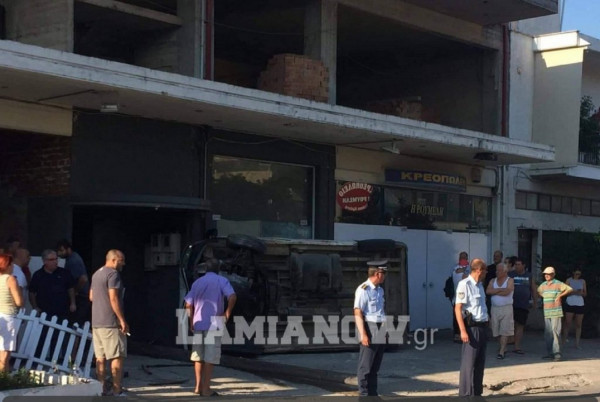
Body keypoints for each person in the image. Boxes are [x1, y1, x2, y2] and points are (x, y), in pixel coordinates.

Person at [185, 258, 237, 397]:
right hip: (215, 323)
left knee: (198, 356)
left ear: (205, 269)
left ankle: (198, 387)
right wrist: (227, 313)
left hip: (198, 323)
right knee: (210, 357)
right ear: (218, 269)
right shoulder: (221, 281)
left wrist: (191, 321)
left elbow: (188, 304)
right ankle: (206, 389)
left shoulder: (197, 282)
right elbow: (232, 296)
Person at [90, 249, 128, 397]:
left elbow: (91, 296)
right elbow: (113, 298)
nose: (123, 264)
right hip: (110, 322)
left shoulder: (96, 274)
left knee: (100, 357)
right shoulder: (113, 274)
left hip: (96, 321)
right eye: (121, 260)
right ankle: (117, 390)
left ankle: (101, 389)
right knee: (116, 356)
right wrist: (122, 320)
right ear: (113, 260)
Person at [455, 258, 488, 397]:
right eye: (485, 270)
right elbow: (458, 308)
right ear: (479, 270)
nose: (486, 273)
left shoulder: (480, 285)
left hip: (482, 326)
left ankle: (477, 393)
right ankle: (465, 394)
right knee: (469, 364)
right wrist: (462, 330)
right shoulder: (465, 284)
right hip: (472, 328)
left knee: (480, 363)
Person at [354, 259, 388, 397]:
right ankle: (364, 394)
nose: (384, 276)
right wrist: (363, 334)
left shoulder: (380, 290)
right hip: (369, 326)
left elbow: (381, 311)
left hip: (380, 327)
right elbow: (358, 312)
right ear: (378, 274)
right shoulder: (363, 290)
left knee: (375, 365)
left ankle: (373, 393)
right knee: (366, 366)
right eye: (383, 273)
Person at [29, 249, 76, 321]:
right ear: (44, 261)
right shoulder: (38, 275)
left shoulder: (64, 273)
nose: (55, 262)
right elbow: (32, 292)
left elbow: (71, 288)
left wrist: (73, 303)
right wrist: (35, 307)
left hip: (63, 311)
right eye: (52, 260)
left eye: (56, 259)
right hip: (45, 312)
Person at [538, 266, 572, 361]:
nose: (546, 275)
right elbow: (538, 291)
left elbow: (569, 289)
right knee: (548, 333)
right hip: (547, 311)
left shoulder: (557, 283)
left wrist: (559, 296)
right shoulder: (543, 284)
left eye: (548, 274)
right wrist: (544, 296)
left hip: (556, 311)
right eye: (545, 274)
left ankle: (557, 353)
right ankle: (550, 353)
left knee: (555, 332)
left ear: (553, 274)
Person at [57, 239, 91, 325]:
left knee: (76, 322)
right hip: (81, 296)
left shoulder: (73, 261)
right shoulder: (72, 258)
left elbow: (83, 279)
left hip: (81, 296)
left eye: (61, 250)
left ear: (68, 249)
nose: (59, 253)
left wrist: (75, 291)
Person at [0, 254, 24, 372]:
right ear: (7, 265)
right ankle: (2, 379)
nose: (13, 266)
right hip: (7, 316)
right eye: (11, 264)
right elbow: (19, 302)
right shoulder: (10, 279)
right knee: (4, 356)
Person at [508, 257, 537, 354]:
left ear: (523, 265)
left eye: (518, 264)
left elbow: (533, 289)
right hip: (511, 304)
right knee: (510, 325)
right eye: (515, 264)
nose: (516, 266)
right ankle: (506, 344)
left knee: (520, 325)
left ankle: (517, 347)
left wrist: (535, 302)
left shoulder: (529, 276)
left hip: (523, 304)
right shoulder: (510, 275)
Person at [486, 263, 514, 359]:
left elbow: (507, 292)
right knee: (495, 330)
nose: (497, 272)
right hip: (494, 309)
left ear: (505, 272)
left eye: (499, 270)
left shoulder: (510, 280)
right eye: (496, 270)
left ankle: (501, 351)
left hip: (506, 308)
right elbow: (488, 291)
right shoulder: (492, 280)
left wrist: (495, 291)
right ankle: (503, 346)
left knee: (505, 330)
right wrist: (500, 290)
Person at [562, 269, 587, 349]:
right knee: (567, 322)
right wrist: (573, 291)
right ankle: (564, 340)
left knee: (579, 324)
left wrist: (581, 293)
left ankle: (577, 343)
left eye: (579, 274)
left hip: (580, 303)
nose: (577, 275)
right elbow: (564, 291)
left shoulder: (582, 281)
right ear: (573, 273)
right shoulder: (569, 280)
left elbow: (585, 293)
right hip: (570, 302)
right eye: (576, 274)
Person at [451, 252, 469, 342]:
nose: (463, 260)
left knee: (467, 317)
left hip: (468, 299)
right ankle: (457, 334)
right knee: (457, 317)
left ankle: (466, 334)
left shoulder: (469, 268)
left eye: (464, 258)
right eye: (461, 258)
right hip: (458, 297)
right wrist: (466, 269)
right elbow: (458, 273)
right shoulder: (455, 268)